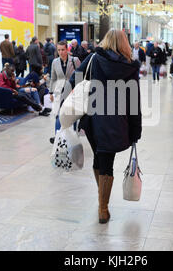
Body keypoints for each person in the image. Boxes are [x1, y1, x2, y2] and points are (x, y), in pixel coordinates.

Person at [69, 29, 142, 224]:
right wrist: (135, 130)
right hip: (117, 122)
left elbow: (72, 80)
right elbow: (134, 101)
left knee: (99, 158)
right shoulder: (130, 67)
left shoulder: (93, 58)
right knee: (106, 161)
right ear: (125, 43)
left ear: (105, 41)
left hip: (92, 118)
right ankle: (103, 208)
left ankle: (102, 201)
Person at [48, 41, 81, 143]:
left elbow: (80, 76)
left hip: (72, 92)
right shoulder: (55, 62)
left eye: (63, 50)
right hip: (59, 92)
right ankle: (58, 137)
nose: (61, 52)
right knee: (58, 115)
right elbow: (53, 78)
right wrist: (51, 92)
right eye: (59, 50)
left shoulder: (75, 60)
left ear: (67, 49)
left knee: (72, 116)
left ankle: (73, 137)